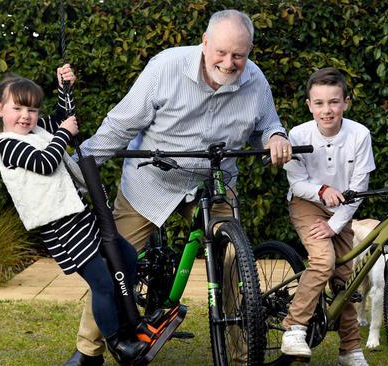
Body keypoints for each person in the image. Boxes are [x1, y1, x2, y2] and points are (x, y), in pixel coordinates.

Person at [64, 9, 292, 365]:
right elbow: (120, 126)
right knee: (115, 261)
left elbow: (269, 122)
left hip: (213, 182)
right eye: (221, 52)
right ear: (204, 43)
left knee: (234, 261)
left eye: (239, 55)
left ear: (249, 52)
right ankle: (88, 351)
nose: (230, 63)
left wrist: (277, 135)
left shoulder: (256, 79)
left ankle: (244, 354)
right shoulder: (165, 68)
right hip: (153, 179)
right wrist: (78, 170)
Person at [0, 66, 147, 365]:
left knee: (127, 257)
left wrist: (64, 88)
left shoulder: (37, 130)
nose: (26, 116)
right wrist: (63, 133)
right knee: (102, 282)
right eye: (17, 108)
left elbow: (60, 118)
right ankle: (116, 344)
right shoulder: (6, 144)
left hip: (81, 216)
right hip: (60, 227)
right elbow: (45, 162)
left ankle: (128, 324)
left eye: (32, 109)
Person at [280, 67, 375, 366]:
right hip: (307, 202)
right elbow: (297, 183)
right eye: (319, 103)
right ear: (309, 105)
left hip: (342, 210)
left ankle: (350, 350)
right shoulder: (297, 134)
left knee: (347, 278)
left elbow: (358, 188)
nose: (327, 110)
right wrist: (322, 189)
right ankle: (294, 328)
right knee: (323, 261)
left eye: (334, 102)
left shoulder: (360, 134)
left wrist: (335, 224)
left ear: (346, 102)